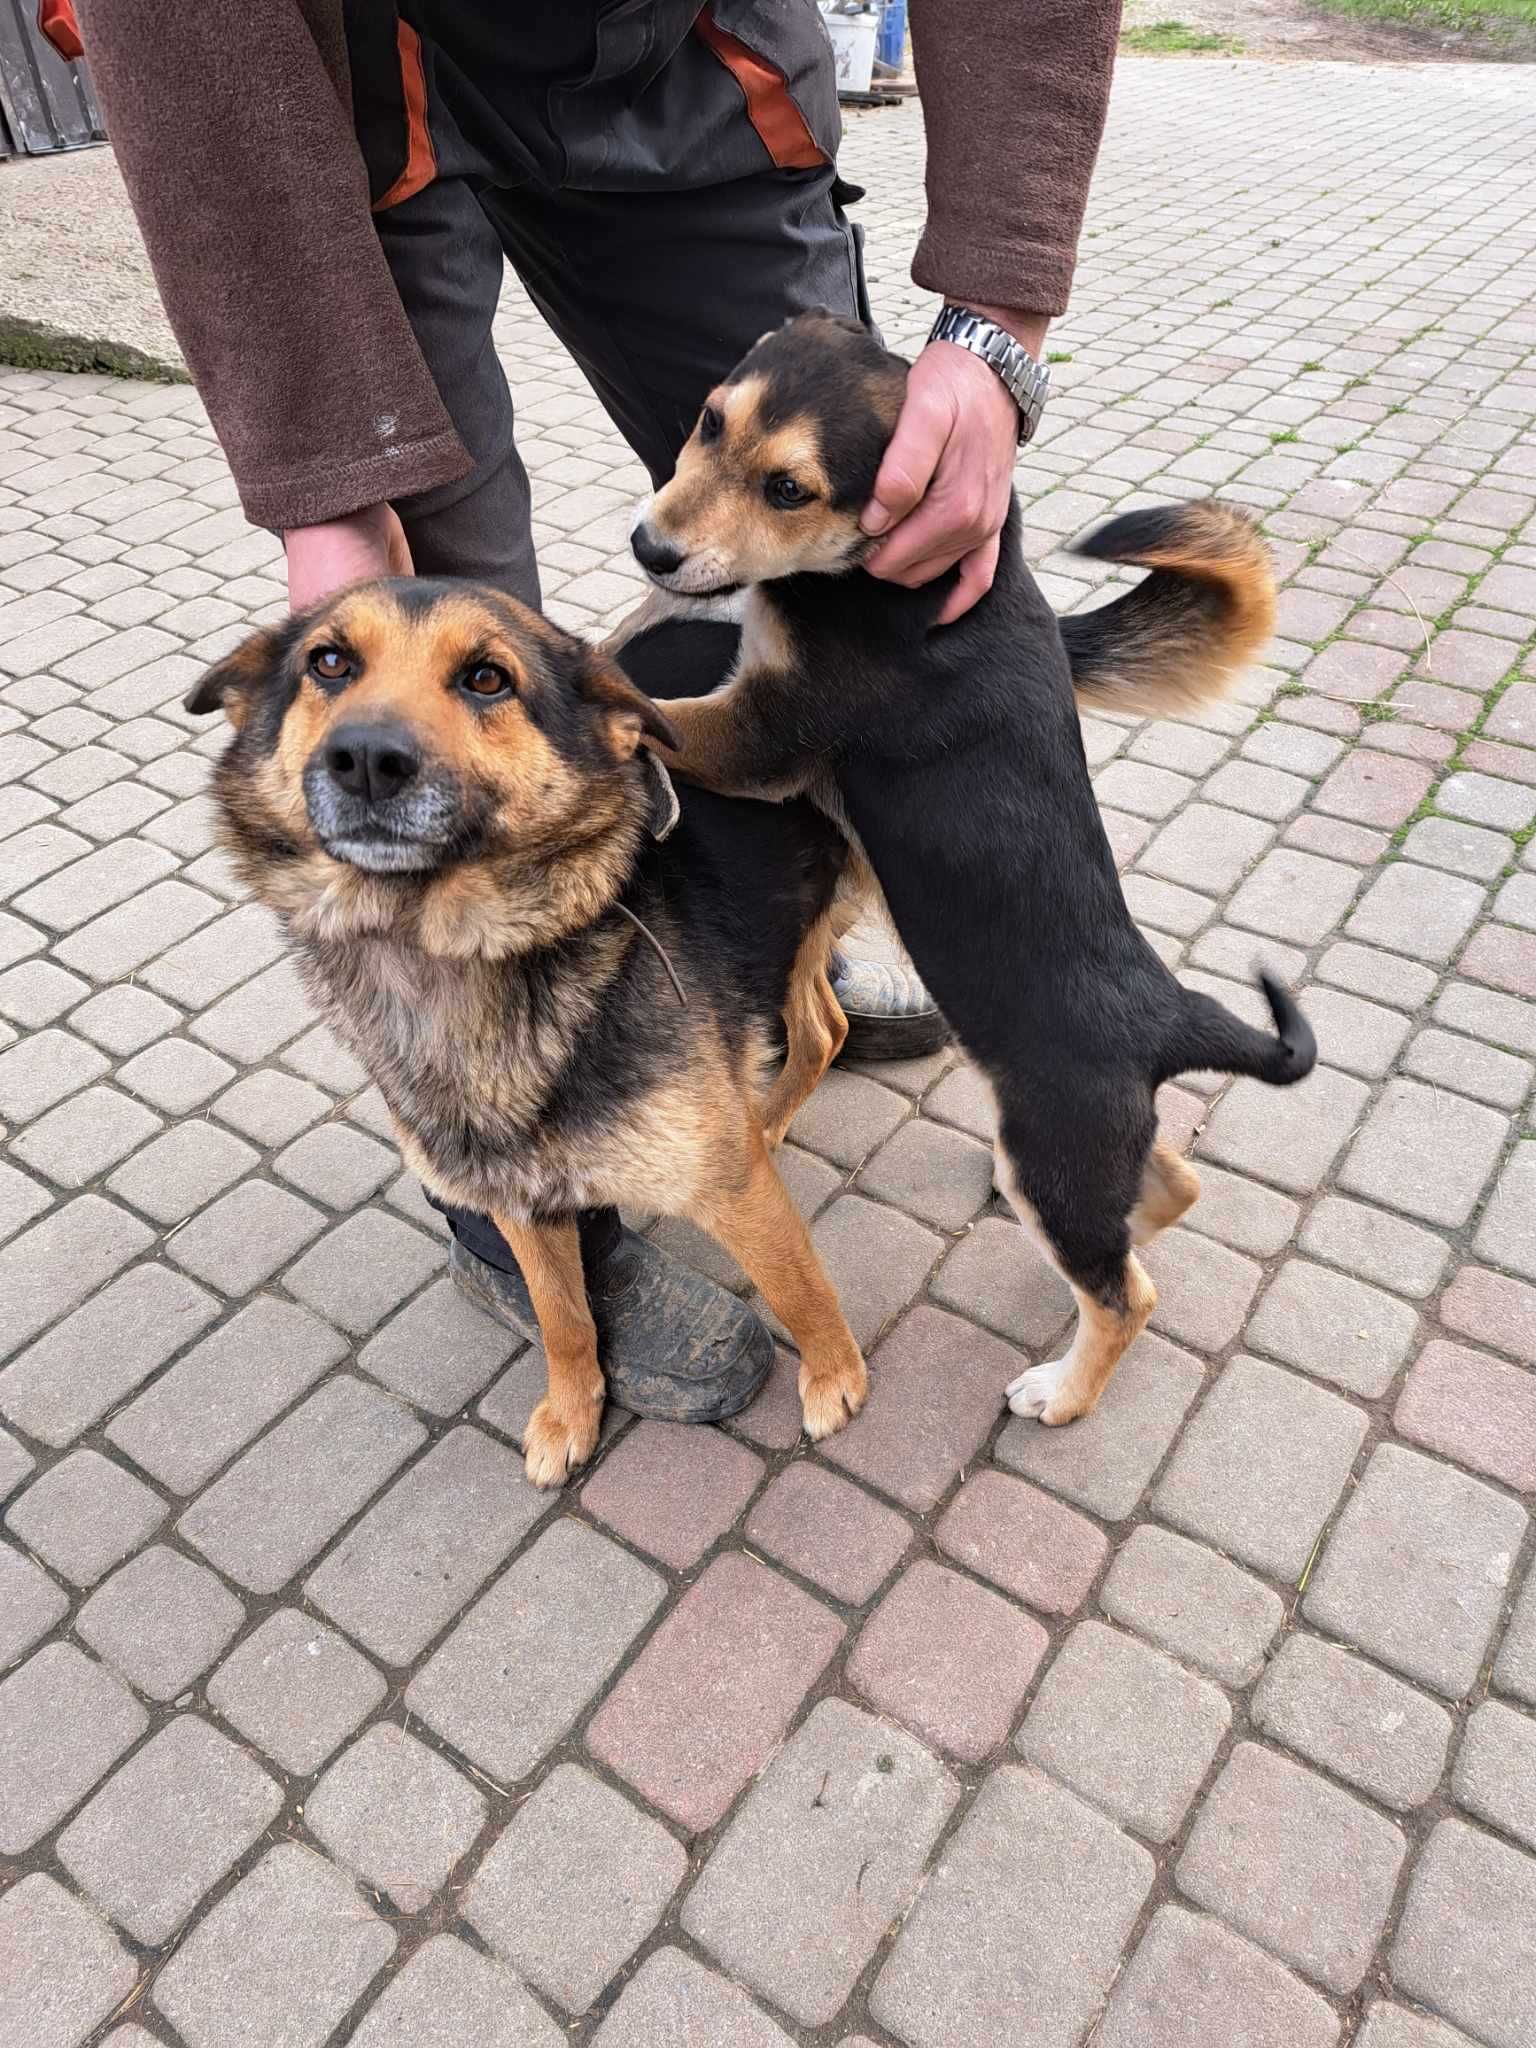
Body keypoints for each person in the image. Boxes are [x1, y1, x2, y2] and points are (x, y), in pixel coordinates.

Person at [76, 0, 1123, 1421]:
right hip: (357, 70)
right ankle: (527, 1194)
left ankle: (774, 983)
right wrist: (326, 477)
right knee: (440, 663)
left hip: (693, 52)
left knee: (888, 536)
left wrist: (996, 317)